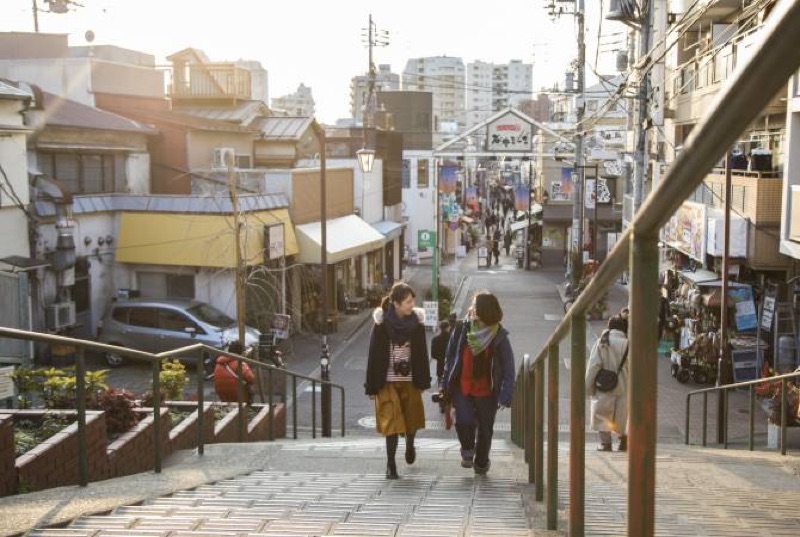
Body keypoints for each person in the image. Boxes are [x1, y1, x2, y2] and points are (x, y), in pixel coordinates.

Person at [443, 291, 515, 475]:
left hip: (487, 391)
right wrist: (445, 386)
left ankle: (482, 462)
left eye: (475, 305)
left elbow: (508, 368)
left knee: (485, 429)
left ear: (484, 310)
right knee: (463, 421)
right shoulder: (461, 329)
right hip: (463, 387)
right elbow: (450, 358)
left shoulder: (499, 336)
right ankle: (467, 452)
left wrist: (505, 395)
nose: (471, 308)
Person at [365, 282, 431, 479]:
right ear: (396, 303)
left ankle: (410, 445)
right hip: (387, 381)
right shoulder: (381, 325)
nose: (412, 305)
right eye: (408, 301)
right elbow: (373, 355)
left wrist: (424, 381)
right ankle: (390, 465)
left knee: (411, 419)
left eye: (413, 301)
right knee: (391, 424)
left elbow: (421, 354)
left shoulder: (417, 325)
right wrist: (371, 386)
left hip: (410, 379)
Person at [585, 315, 629, 452]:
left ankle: (606, 444)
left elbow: (594, 365)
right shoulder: (629, 343)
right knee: (623, 413)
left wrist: (588, 387)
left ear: (610, 327)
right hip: (625, 384)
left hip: (604, 384)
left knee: (602, 412)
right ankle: (624, 441)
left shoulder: (602, 342)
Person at [430, 320, 452, 412]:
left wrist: (440, 358)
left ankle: (442, 405)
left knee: (441, 385)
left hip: (440, 365)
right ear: (448, 327)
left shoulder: (435, 339)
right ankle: (450, 404)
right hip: (451, 365)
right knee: (451, 385)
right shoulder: (452, 338)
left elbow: (433, 354)